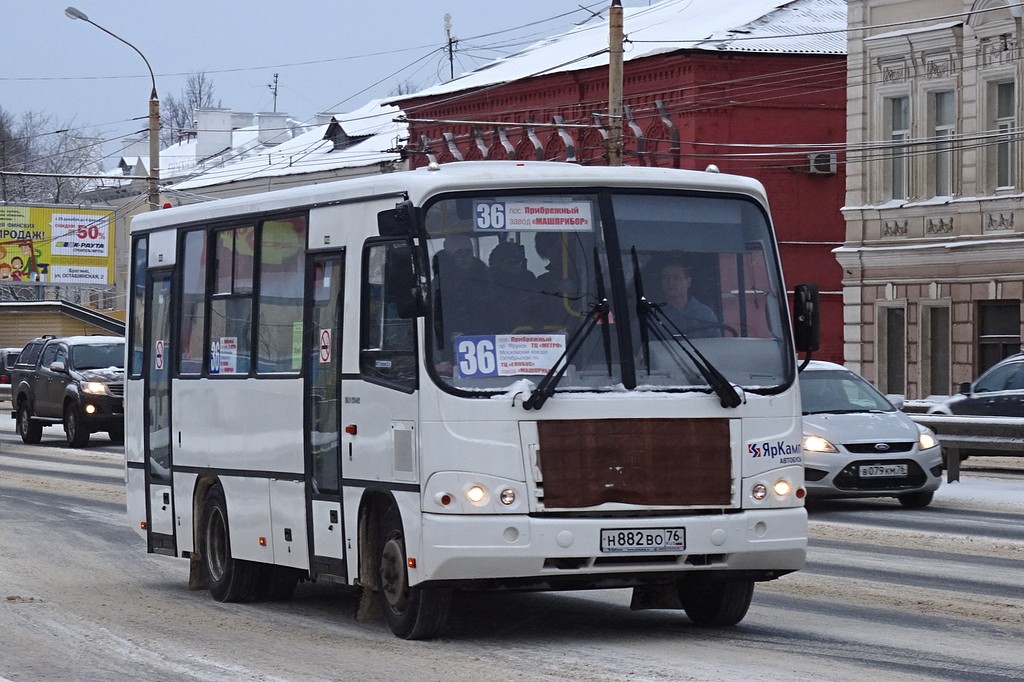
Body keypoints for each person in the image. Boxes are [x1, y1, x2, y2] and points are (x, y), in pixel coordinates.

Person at [657, 261, 721, 338]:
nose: (671, 282)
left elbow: (716, 344)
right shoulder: (655, 315)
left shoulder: (705, 314)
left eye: (676, 277)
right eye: (666, 278)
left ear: (688, 282)